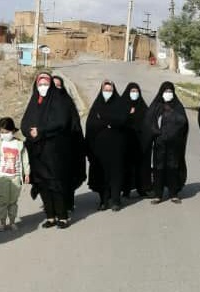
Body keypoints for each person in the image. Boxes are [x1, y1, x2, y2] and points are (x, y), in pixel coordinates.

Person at [21, 72, 74, 229]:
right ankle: (50, 216)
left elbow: (62, 122)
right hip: (36, 151)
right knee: (42, 184)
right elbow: (24, 122)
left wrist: (41, 131)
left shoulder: (58, 101)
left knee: (55, 184)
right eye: (40, 84)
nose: (43, 87)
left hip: (53, 150)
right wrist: (28, 132)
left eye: (45, 84)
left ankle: (62, 217)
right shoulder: (33, 102)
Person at [144, 82, 189, 204]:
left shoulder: (177, 106)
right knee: (159, 168)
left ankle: (173, 193)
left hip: (174, 144)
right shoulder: (156, 106)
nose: (168, 94)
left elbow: (183, 122)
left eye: (170, 91)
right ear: (161, 92)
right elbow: (149, 121)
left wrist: (173, 132)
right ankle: (158, 194)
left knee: (173, 167)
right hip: (160, 143)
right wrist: (157, 133)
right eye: (166, 91)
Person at [86, 80, 127, 211]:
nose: (107, 92)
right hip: (99, 149)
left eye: (110, 90)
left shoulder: (119, 104)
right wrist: (109, 123)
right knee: (102, 174)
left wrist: (103, 118)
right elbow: (91, 125)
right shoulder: (97, 105)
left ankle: (116, 200)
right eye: (105, 90)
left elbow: (122, 121)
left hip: (116, 148)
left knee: (115, 174)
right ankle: (103, 201)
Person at [0, 117, 30, 232]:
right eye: (2, 132)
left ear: (13, 131)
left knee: (13, 201)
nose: (4, 134)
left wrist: (27, 173)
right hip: (2, 177)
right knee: (3, 201)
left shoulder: (19, 144)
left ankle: (12, 222)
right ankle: (2, 222)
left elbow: (25, 159)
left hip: (16, 177)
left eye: (7, 132)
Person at [52, 75, 87, 213]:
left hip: (68, 147)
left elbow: (76, 126)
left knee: (67, 176)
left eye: (58, 85)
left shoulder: (68, 103)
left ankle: (68, 203)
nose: (56, 88)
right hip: (51, 149)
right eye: (53, 85)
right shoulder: (44, 105)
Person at [121, 82, 150, 198]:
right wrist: (128, 113)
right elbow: (118, 120)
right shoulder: (122, 105)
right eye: (132, 91)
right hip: (126, 141)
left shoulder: (142, 106)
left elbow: (149, 121)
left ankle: (141, 188)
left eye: (136, 91)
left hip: (141, 141)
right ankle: (126, 189)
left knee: (141, 166)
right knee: (127, 166)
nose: (135, 94)